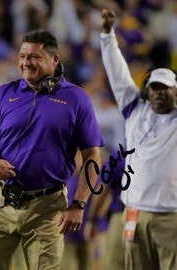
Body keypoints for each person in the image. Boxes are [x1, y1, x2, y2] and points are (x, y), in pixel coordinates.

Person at [0, 29, 104, 270]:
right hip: (1, 200)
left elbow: (93, 157)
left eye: (34, 57)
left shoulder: (76, 99)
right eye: (22, 56)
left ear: (55, 60)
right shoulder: (4, 93)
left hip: (47, 207)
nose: (25, 62)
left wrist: (79, 204)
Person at [100, 9, 177, 270]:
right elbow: (118, 73)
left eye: (165, 89)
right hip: (134, 212)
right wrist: (107, 36)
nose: (158, 94)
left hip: (172, 216)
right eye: (154, 88)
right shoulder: (135, 111)